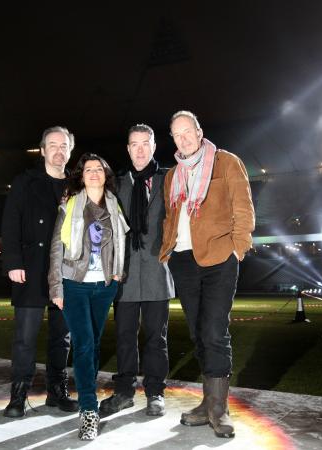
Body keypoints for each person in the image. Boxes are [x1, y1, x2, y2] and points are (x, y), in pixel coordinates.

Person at [160, 110, 255, 438]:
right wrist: (168, 250)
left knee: (215, 331)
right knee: (199, 333)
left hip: (218, 259)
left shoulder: (226, 162)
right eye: (177, 135)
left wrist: (236, 249)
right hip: (184, 262)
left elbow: (243, 209)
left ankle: (219, 408)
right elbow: (170, 218)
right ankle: (208, 402)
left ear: (200, 132)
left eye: (188, 132)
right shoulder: (172, 175)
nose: (183, 139)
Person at [48, 153, 129, 440]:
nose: (94, 173)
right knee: (83, 345)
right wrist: (56, 287)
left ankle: (86, 394)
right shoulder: (70, 204)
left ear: (106, 175)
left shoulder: (114, 206)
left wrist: (117, 274)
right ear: (81, 176)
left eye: (99, 169)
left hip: (103, 286)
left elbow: (120, 244)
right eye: (89, 170)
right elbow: (57, 247)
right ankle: (89, 411)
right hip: (74, 284)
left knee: (93, 346)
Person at [1, 126, 78, 418]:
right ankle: (18, 395)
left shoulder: (77, 184)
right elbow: (10, 222)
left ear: (70, 150)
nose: (58, 150)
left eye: (64, 146)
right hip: (31, 268)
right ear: (43, 150)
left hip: (66, 271)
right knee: (25, 337)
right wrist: (13, 261)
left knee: (62, 337)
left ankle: (56, 393)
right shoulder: (25, 181)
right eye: (52, 145)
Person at [100, 124, 174, 417]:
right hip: (125, 274)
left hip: (157, 270)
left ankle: (155, 392)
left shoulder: (168, 180)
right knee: (125, 337)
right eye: (134, 144)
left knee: (157, 337)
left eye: (146, 143)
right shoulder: (117, 184)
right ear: (128, 149)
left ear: (154, 147)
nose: (140, 150)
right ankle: (124, 391)